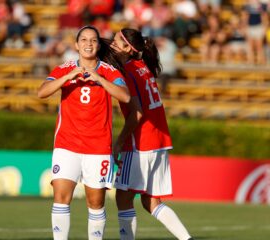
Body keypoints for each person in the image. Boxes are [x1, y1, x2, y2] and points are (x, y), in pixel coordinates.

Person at [37, 25, 130, 240]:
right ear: (77, 45)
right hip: (66, 144)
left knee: (95, 203)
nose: (89, 44)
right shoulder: (64, 68)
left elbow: (125, 96)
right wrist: (68, 77)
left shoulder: (109, 71)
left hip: (98, 147)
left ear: (98, 45)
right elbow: (42, 92)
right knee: (60, 197)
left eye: (93, 40)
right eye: (84, 40)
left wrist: (100, 79)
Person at [110, 28, 194, 240]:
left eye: (116, 41)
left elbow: (136, 114)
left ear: (128, 49)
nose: (112, 43)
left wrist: (118, 143)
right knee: (151, 202)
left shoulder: (128, 70)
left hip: (142, 142)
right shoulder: (142, 66)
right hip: (159, 141)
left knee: (123, 197)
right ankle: (187, 239)